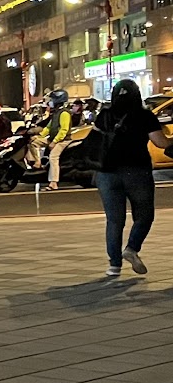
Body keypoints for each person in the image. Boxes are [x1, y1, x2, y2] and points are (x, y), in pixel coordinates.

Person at [93, 78, 169, 276]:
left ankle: (114, 265)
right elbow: (160, 142)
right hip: (136, 171)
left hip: (106, 173)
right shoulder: (144, 116)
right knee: (144, 216)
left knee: (114, 220)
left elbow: (95, 141)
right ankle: (132, 248)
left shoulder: (104, 115)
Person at [42, 89, 75, 190]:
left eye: (52, 99)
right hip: (54, 138)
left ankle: (53, 182)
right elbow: (49, 127)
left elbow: (63, 131)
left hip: (63, 140)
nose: (50, 101)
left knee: (53, 156)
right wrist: (39, 135)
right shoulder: (56, 113)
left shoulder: (64, 113)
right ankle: (37, 164)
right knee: (33, 141)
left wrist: (54, 142)